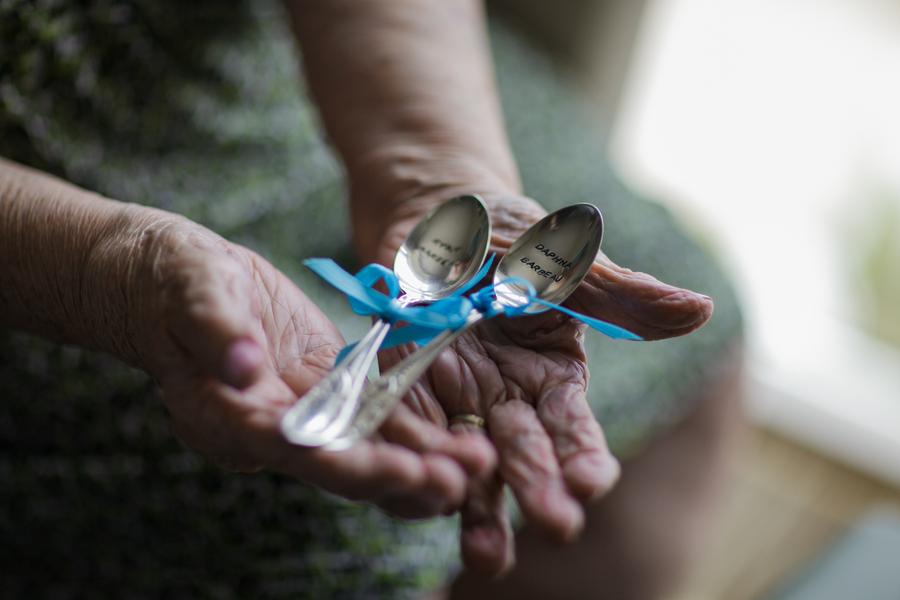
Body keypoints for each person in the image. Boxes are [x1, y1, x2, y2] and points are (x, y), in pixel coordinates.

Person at [0, 0, 743, 598]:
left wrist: (433, 167)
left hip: (286, 77)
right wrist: (108, 271)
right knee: (319, 527)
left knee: (700, 326)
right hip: (36, 227)